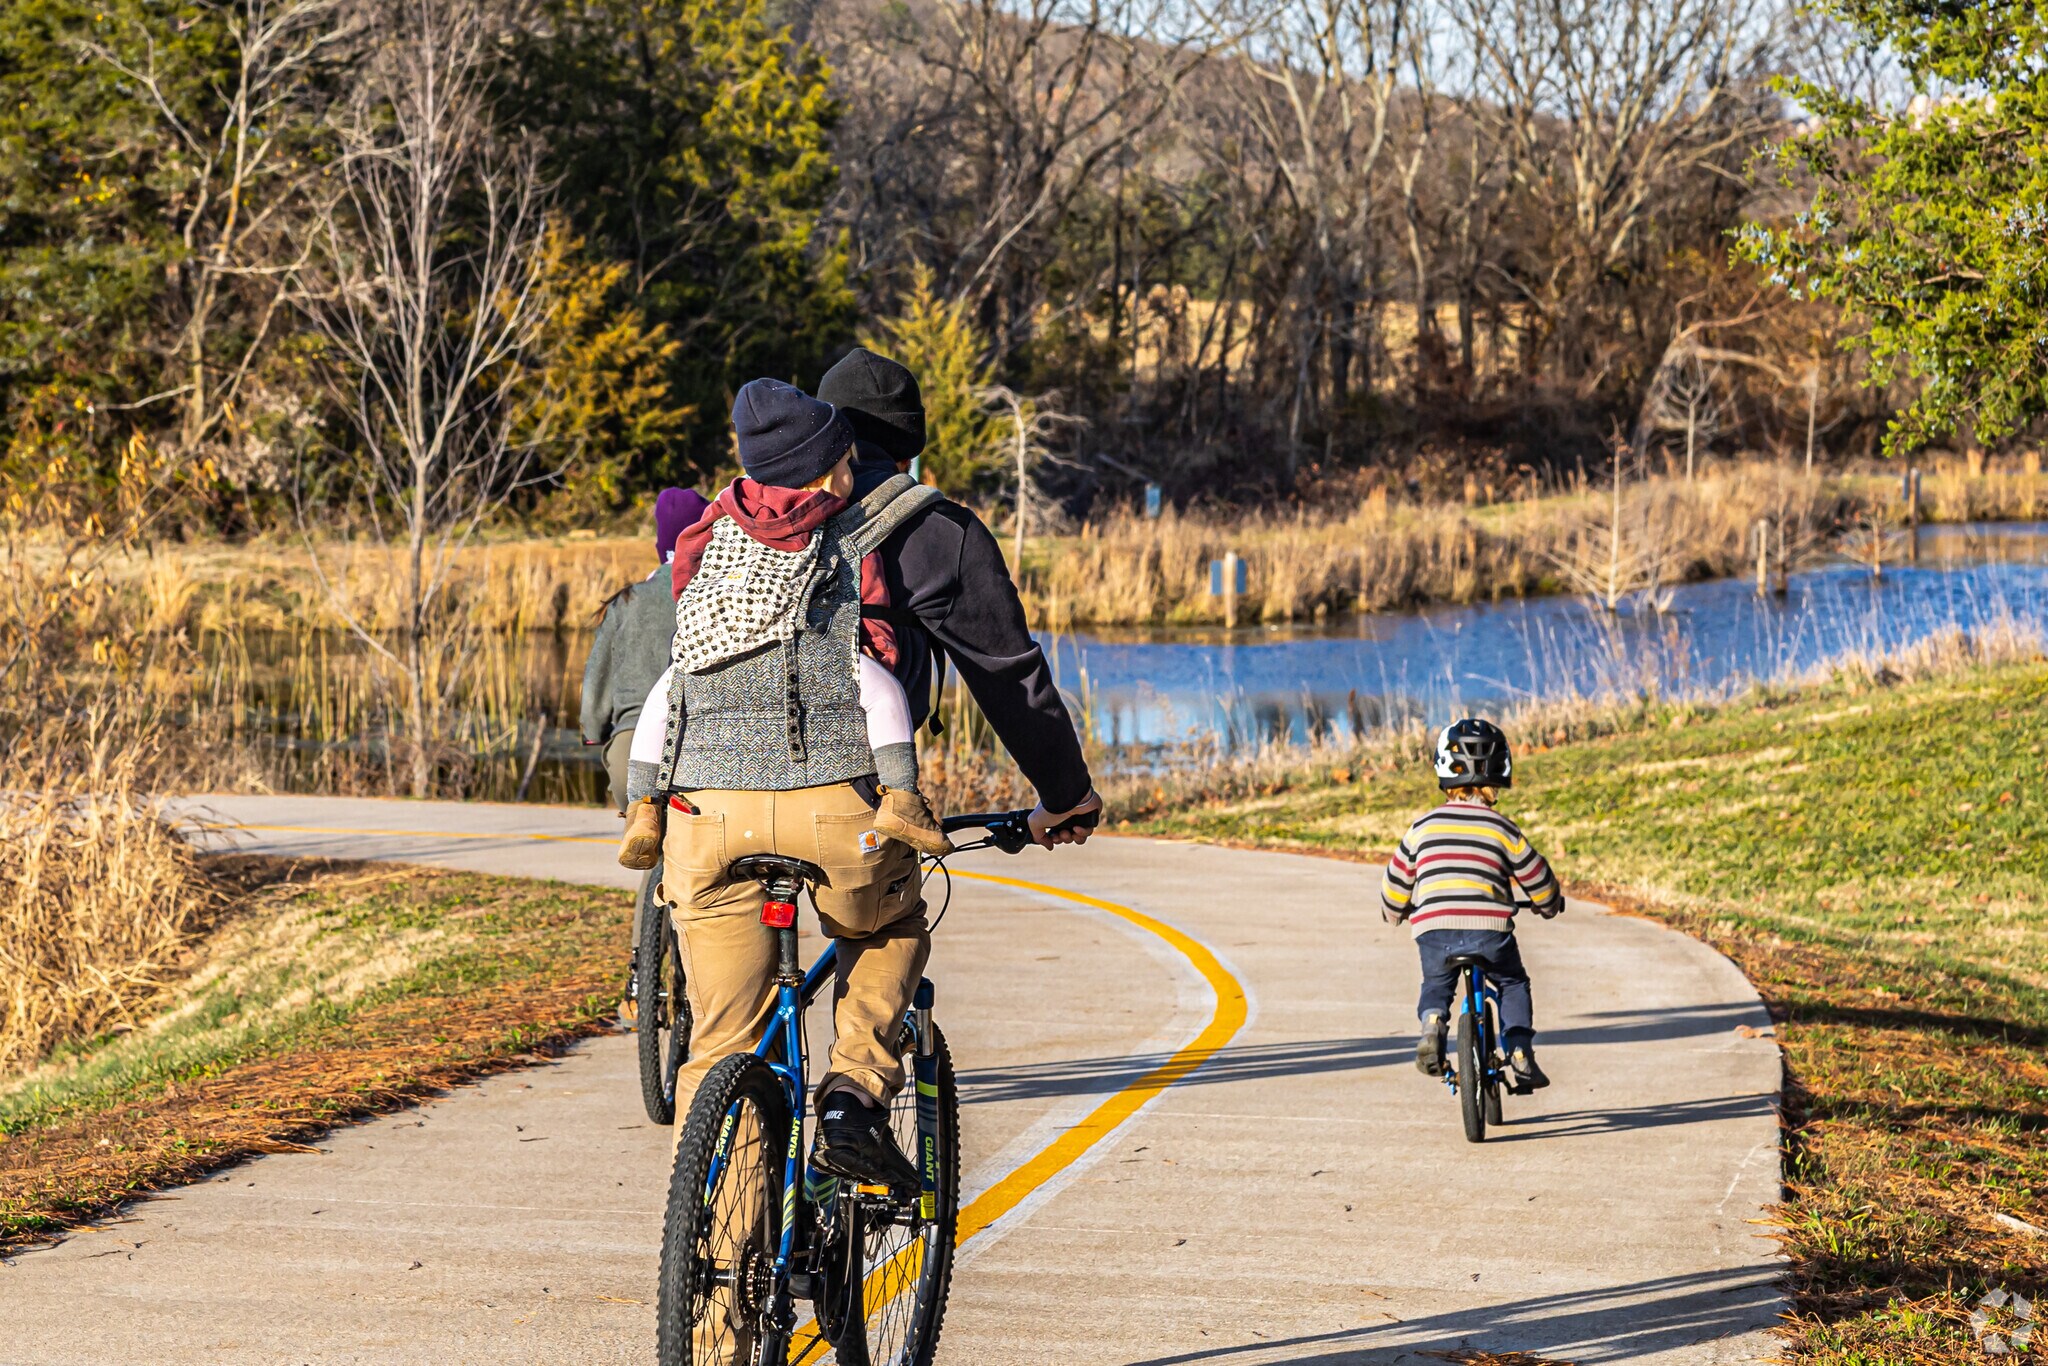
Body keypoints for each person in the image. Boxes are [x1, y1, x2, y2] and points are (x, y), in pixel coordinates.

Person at [655, 374, 1099, 1194]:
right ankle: (851, 1098)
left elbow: (680, 671)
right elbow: (1010, 677)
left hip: (702, 809)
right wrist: (1064, 796)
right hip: (844, 805)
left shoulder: (722, 529)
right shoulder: (933, 531)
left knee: (722, 1047)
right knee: (887, 928)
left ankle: (716, 1298)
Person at [1379, 717, 1562, 1091]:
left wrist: (1394, 910)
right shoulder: (1500, 827)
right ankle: (1519, 1049)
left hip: (1434, 930)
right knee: (1512, 982)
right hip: (1490, 932)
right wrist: (1548, 902)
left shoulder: (1422, 827)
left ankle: (1432, 1027)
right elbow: (1536, 875)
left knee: (1436, 983)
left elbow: (1396, 882)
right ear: (1500, 772)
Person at [580, 487, 709, 812]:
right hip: (702, 750)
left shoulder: (627, 601)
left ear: (659, 543)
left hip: (631, 752)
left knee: (651, 835)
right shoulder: (720, 598)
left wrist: (593, 732)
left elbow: (596, 682)